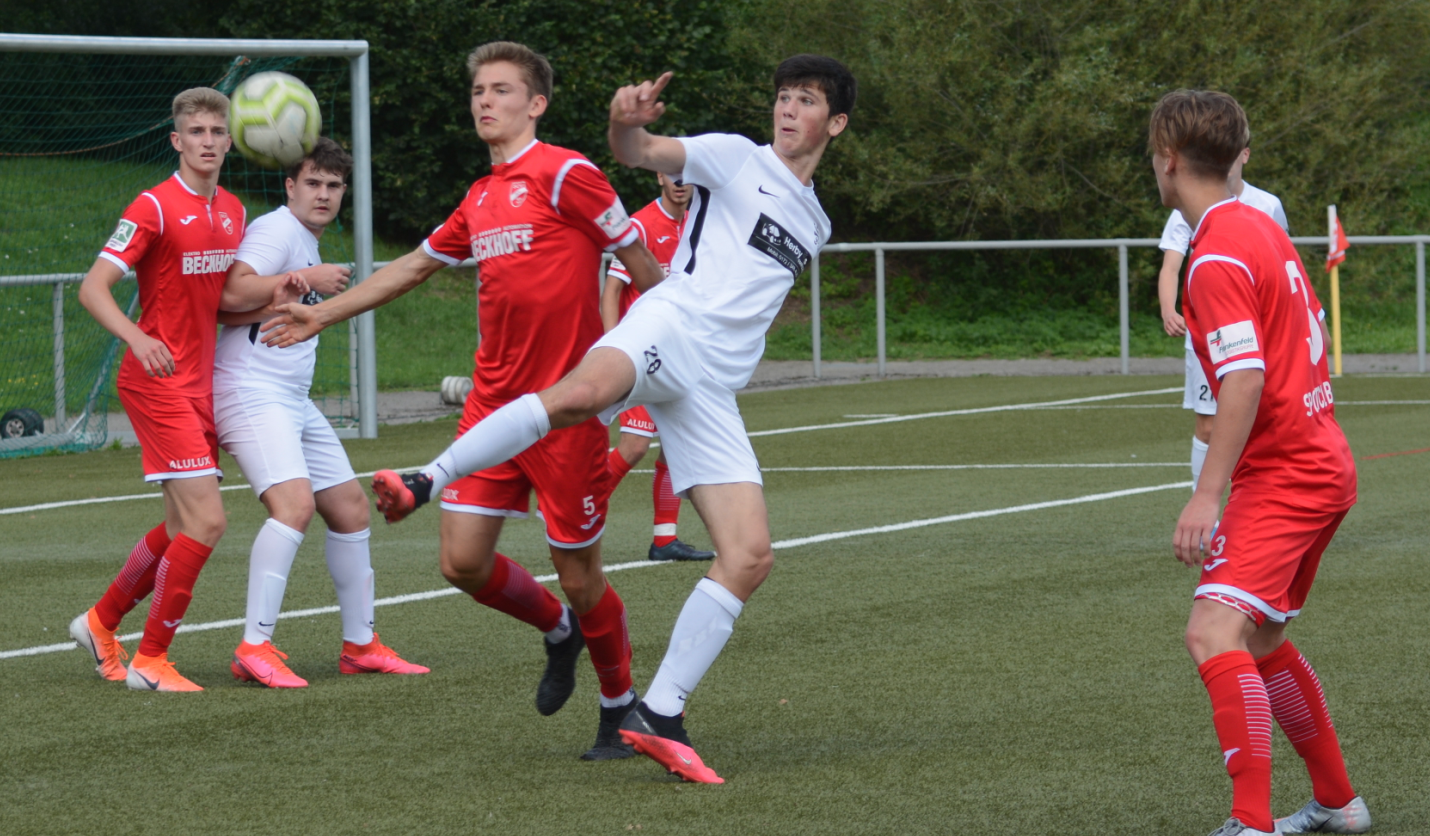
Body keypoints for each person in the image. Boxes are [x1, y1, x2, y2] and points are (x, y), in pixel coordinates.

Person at [320, 54, 856, 784]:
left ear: (836, 122)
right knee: (579, 395)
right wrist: (623, 124)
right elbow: (640, 151)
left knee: (749, 555)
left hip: (713, 387)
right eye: (784, 97)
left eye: (807, 101)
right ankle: (425, 479)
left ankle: (658, 714)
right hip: (672, 322)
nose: (788, 110)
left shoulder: (817, 220)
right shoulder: (735, 156)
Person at [261, 42, 665, 758]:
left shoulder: (568, 172)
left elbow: (640, 266)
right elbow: (414, 267)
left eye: (502, 89)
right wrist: (322, 314)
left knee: (581, 575)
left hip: (565, 411)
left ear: (536, 104)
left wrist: (674, 349)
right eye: (479, 90)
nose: (485, 100)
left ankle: (619, 706)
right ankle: (559, 632)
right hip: (490, 409)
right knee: (462, 564)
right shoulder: (478, 198)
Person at [1154, 89, 1369, 836]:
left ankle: (1251, 822)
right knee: (1264, 639)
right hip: (1322, 460)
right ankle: (1338, 802)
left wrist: (1205, 494)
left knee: (1212, 633)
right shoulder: (1257, 224)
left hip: (1287, 474)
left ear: (1168, 159)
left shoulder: (1213, 253)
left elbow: (1243, 378)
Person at [69, 87, 287, 692]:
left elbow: (215, 305)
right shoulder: (153, 207)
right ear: (177, 140)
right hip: (156, 381)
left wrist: (277, 303)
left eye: (217, 132)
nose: (207, 142)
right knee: (208, 521)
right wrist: (138, 338)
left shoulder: (234, 211)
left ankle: (100, 622)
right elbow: (92, 288)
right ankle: (152, 661)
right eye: (196, 132)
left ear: (230, 141)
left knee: (178, 527)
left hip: (200, 384)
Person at [214, 138, 428, 688]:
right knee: (294, 507)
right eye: (312, 182)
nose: (324, 194)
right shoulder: (277, 230)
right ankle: (254, 646)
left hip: (290, 397)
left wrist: (305, 283)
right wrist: (311, 281)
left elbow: (249, 308)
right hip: (250, 389)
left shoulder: (305, 241)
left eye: (334, 185)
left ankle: (360, 646)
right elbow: (229, 292)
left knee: (352, 509)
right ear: (290, 186)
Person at [1156, 142, 1316, 490]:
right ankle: (1208, 510)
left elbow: (1285, 263)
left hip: (1261, 334)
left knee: (1265, 414)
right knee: (1208, 425)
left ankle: (1255, 494)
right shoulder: (1187, 210)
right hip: (1214, 333)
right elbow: (1170, 266)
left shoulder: (1266, 206)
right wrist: (1168, 309)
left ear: (1244, 154)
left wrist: (1301, 318)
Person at [600, 172, 714, 562]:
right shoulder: (640, 225)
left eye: (687, 177)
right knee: (634, 445)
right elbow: (612, 291)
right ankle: (574, 508)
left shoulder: (700, 223)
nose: (680, 183)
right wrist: (613, 348)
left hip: (680, 354)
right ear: (660, 177)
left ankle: (664, 540)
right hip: (641, 354)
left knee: (674, 446)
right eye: (673, 176)